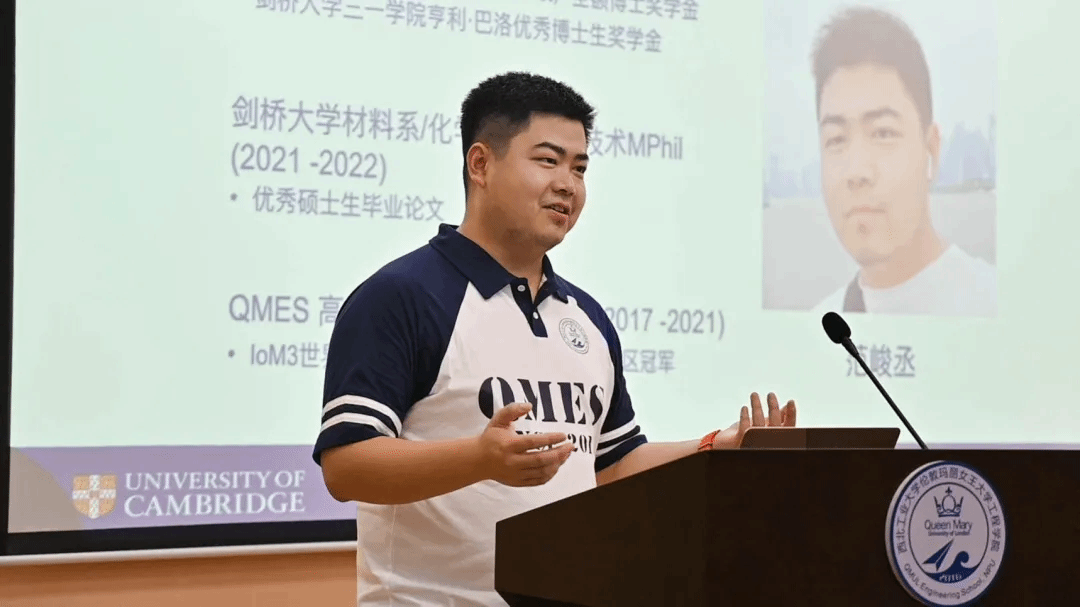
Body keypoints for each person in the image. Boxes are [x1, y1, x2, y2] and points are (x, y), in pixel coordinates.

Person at [313, 71, 797, 606]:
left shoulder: (586, 318)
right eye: (548, 160)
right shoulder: (401, 296)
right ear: (480, 164)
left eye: (580, 168)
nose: (568, 184)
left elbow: (611, 466)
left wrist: (713, 449)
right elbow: (346, 467)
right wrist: (480, 459)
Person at [810, 6, 996, 317]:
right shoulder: (817, 327)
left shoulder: (993, 306)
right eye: (836, 139)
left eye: (883, 133)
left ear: (931, 151)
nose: (856, 171)